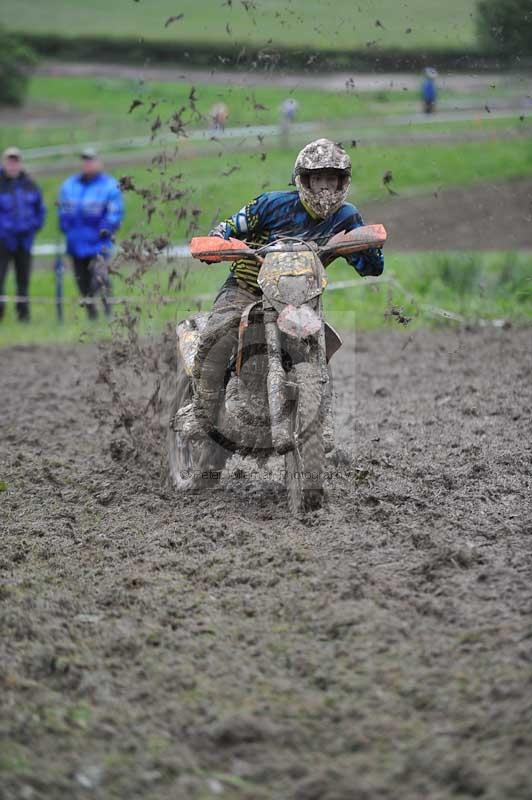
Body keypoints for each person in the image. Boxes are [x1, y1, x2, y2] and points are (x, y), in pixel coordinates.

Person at [192, 138, 384, 433]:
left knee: (318, 344)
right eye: (318, 179)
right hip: (247, 287)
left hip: (301, 298)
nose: (324, 188)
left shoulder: (347, 216)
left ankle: (321, 421)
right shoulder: (271, 204)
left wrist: (365, 246)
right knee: (217, 334)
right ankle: (201, 412)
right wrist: (217, 241)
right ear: (303, 180)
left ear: (342, 182)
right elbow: (229, 226)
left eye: (331, 180)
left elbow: (372, 266)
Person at [58, 148, 124, 319]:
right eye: (85, 160)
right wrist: (65, 225)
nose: (88, 164)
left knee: (100, 278)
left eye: (91, 160)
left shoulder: (109, 186)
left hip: (98, 244)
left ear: (99, 163)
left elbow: (115, 213)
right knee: (82, 281)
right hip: (76, 243)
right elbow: (63, 210)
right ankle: (91, 315)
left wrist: (105, 230)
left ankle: (109, 313)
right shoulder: (69, 185)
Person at [0, 146, 46, 322]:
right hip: (2, 241)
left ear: (20, 163)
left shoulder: (30, 184)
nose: (13, 165)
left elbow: (40, 209)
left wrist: (33, 227)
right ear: (4, 162)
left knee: (23, 281)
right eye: (9, 161)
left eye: (16, 161)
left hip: (24, 241)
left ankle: (23, 316)